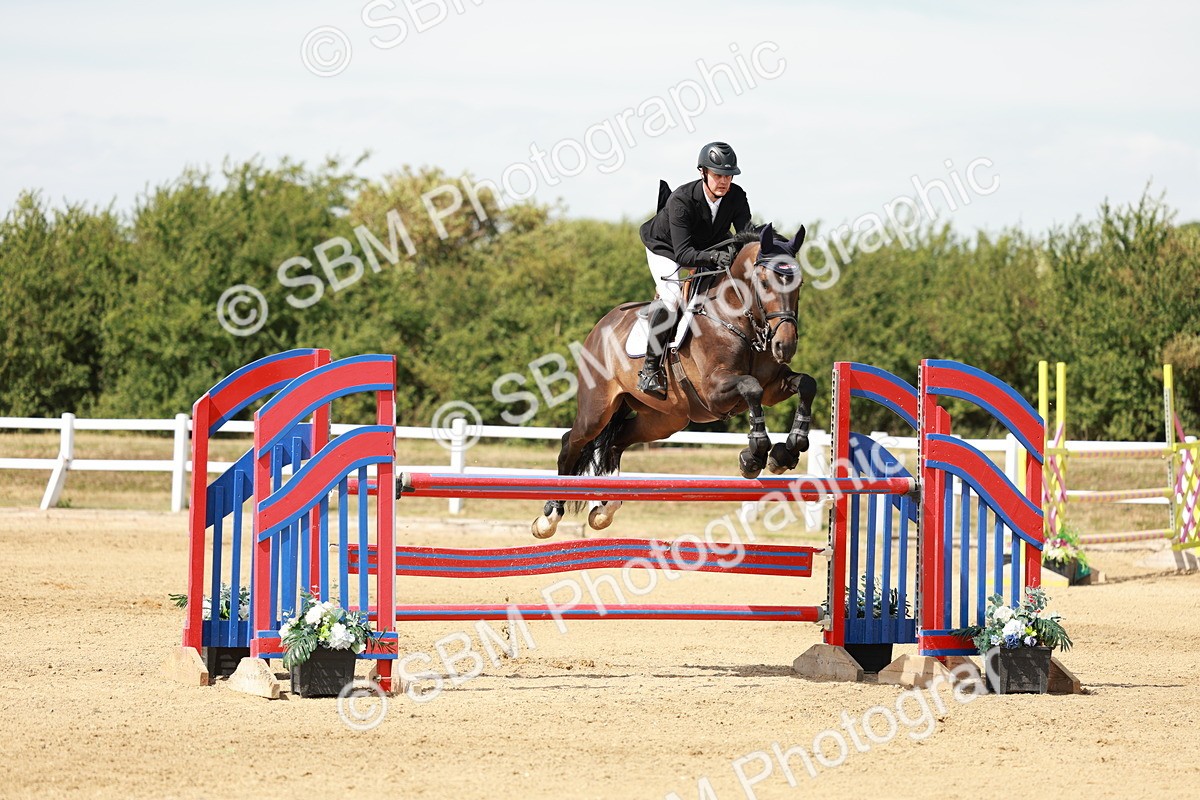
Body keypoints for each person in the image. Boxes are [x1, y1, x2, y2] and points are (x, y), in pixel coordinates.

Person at [636, 141, 752, 398]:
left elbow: (746, 235)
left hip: (705, 244)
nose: (724, 181)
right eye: (718, 175)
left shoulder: (736, 196)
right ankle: (650, 370)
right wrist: (714, 256)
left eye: (729, 176)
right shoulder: (682, 200)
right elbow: (684, 254)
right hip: (666, 248)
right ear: (703, 172)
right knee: (671, 297)